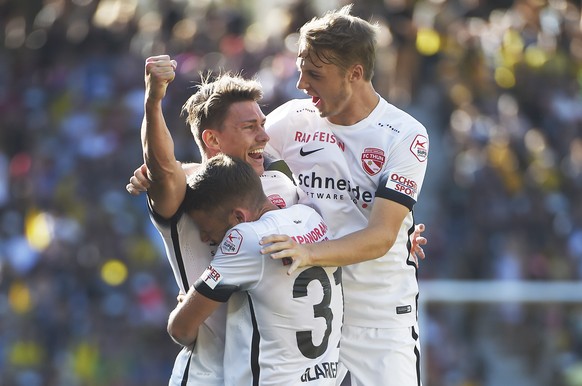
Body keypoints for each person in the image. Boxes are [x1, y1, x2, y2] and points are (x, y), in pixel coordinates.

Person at [259, 5, 429, 385]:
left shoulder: (404, 134)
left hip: (379, 320)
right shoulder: (291, 120)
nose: (301, 83)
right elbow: (231, 168)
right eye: (301, 69)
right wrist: (172, 173)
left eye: (315, 73)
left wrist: (308, 253)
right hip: (307, 317)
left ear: (355, 74)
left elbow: (381, 237)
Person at [135, 55, 299, 385]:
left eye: (262, 124)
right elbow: (164, 169)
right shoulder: (188, 192)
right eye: (249, 127)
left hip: (270, 373)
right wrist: (153, 101)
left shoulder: (280, 182)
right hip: (209, 374)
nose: (264, 137)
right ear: (212, 140)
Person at [168, 153, 343, 385]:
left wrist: (185, 304)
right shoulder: (310, 216)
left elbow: (180, 329)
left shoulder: (246, 238)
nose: (204, 236)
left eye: (207, 227)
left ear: (239, 216)